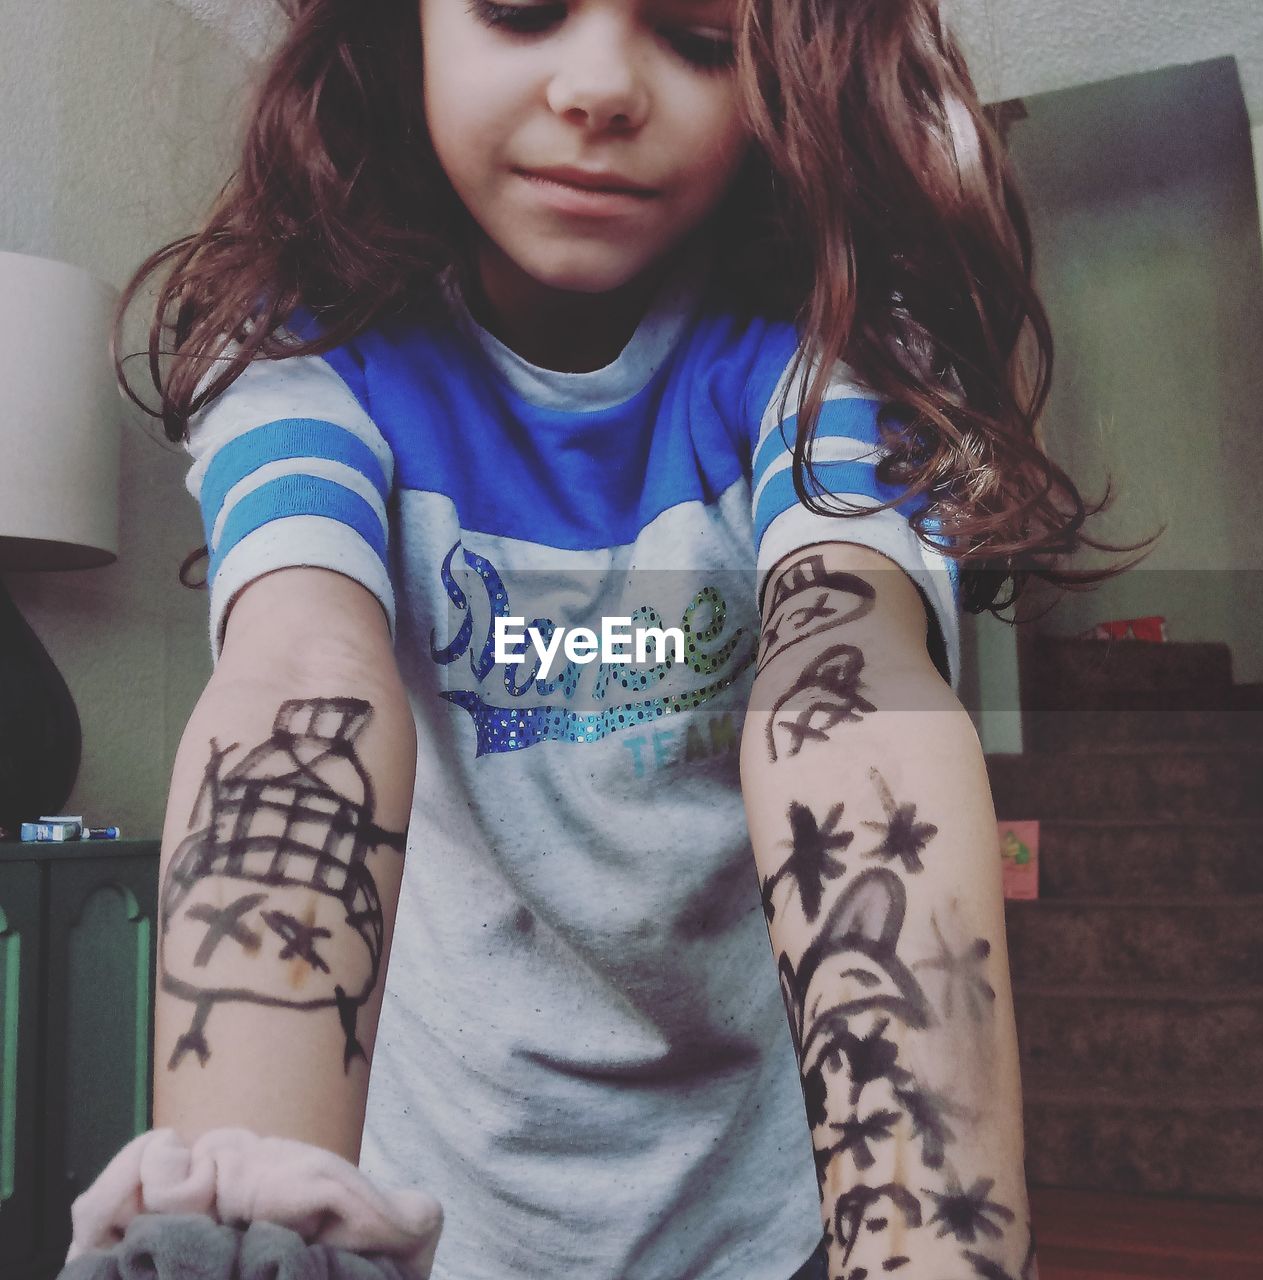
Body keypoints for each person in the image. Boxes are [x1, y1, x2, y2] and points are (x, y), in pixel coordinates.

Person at [87, 0, 1120, 1277]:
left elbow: (846, 677)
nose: (597, 89)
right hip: (435, 1206)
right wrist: (238, 1204)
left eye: (694, 36)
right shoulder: (311, 361)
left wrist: (932, 1243)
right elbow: (302, 669)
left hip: (762, 1215)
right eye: (522, 10)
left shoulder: (827, 351)